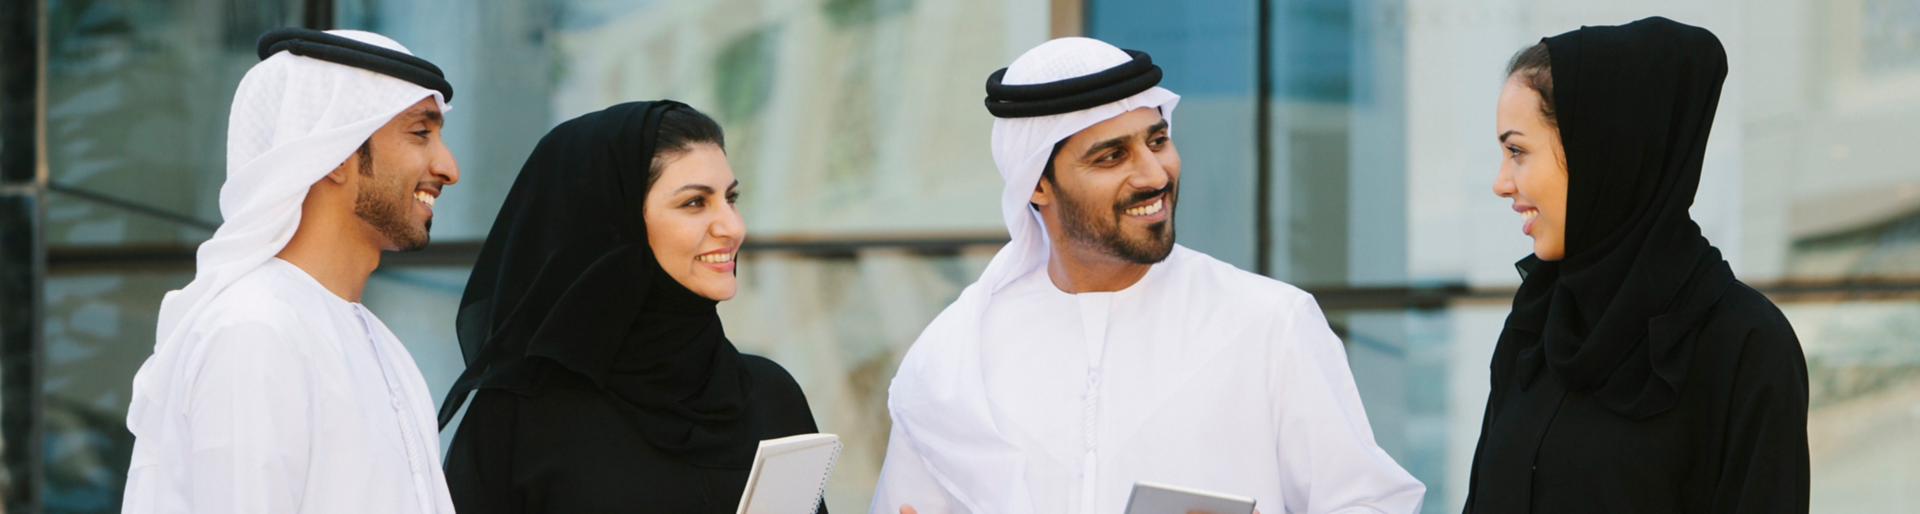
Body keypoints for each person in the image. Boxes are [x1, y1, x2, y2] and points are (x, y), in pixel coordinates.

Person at [870, 37, 1425, 514]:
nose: (1154, 174)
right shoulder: (954, 356)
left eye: (1157, 141)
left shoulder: (1268, 323)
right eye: (1111, 157)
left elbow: (1371, 501)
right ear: (1036, 185)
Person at [1466, 17, 1810, 513]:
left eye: (1517, 151)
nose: (1501, 182)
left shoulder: (1742, 344)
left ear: (1599, 150)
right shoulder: (1537, 323)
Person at [122, 28, 460, 513]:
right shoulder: (254, 329)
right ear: (335, 153)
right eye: (420, 132)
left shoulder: (383, 348)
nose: (448, 167)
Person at [436, 101, 824, 513]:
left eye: (731, 198)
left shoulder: (772, 395)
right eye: (695, 202)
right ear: (615, 225)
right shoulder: (519, 417)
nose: (732, 226)